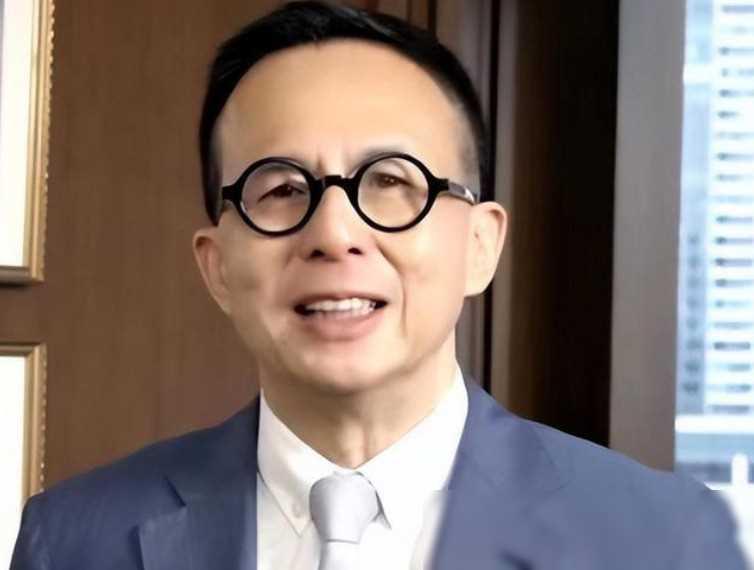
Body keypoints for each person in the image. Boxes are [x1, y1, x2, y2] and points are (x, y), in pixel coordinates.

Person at [11, 2, 747, 569]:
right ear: (217, 266)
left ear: (481, 245)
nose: (335, 233)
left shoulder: (663, 538)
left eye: (392, 181)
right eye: (281, 189)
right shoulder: (75, 539)